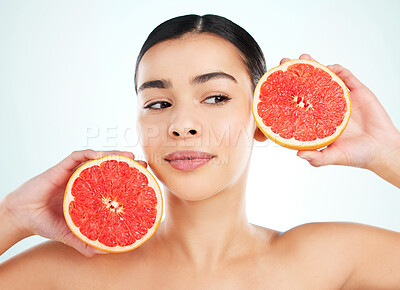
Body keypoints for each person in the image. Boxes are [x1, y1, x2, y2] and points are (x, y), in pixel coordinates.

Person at [1, 14, 399, 289]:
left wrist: (388, 153)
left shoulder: (325, 262)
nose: (181, 124)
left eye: (215, 97)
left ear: (262, 116)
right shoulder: (70, 272)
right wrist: (13, 216)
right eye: (158, 103)